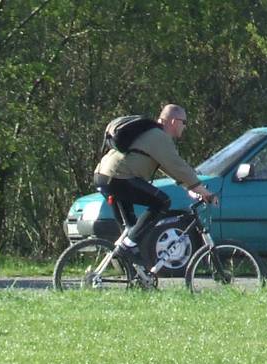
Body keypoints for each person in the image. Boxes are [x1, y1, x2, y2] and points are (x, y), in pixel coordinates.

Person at [93, 104, 217, 266]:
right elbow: (178, 166)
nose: (185, 127)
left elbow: (168, 168)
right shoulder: (159, 136)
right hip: (118, 178)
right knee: (162, 202)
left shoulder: (149, 132)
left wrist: (191, 188)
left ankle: (135, 270)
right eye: (184, 122)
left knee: (133, 229)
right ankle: (126, 247)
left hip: (103, 176)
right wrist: (205, 192)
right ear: (173, 121)